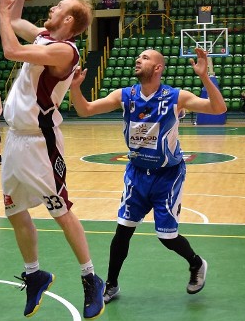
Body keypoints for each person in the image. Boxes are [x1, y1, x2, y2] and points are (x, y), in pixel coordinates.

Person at [0, 0, 105, 320]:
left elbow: (10, 47)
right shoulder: (43, 37)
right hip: (15, 139)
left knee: (60, 210)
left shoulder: (63, 51)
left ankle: (90, 278)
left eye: (58, 7)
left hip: (41, 143)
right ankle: (34, 273)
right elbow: (14, 21)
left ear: (68, 21)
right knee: (13, 210)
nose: (51, 8)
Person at [69, 47, 226, 303]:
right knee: (123, 231)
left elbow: (218, 109)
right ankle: (111, 285)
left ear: (158, 67)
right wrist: (75, 88)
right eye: (138, 56)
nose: (138, 59)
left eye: (145, 57)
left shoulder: (175, 97)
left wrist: (205, 77)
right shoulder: (126, 95)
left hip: (167, 176)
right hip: (137, 173)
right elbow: (85, 110)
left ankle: (196, 263)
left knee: (167, 237)